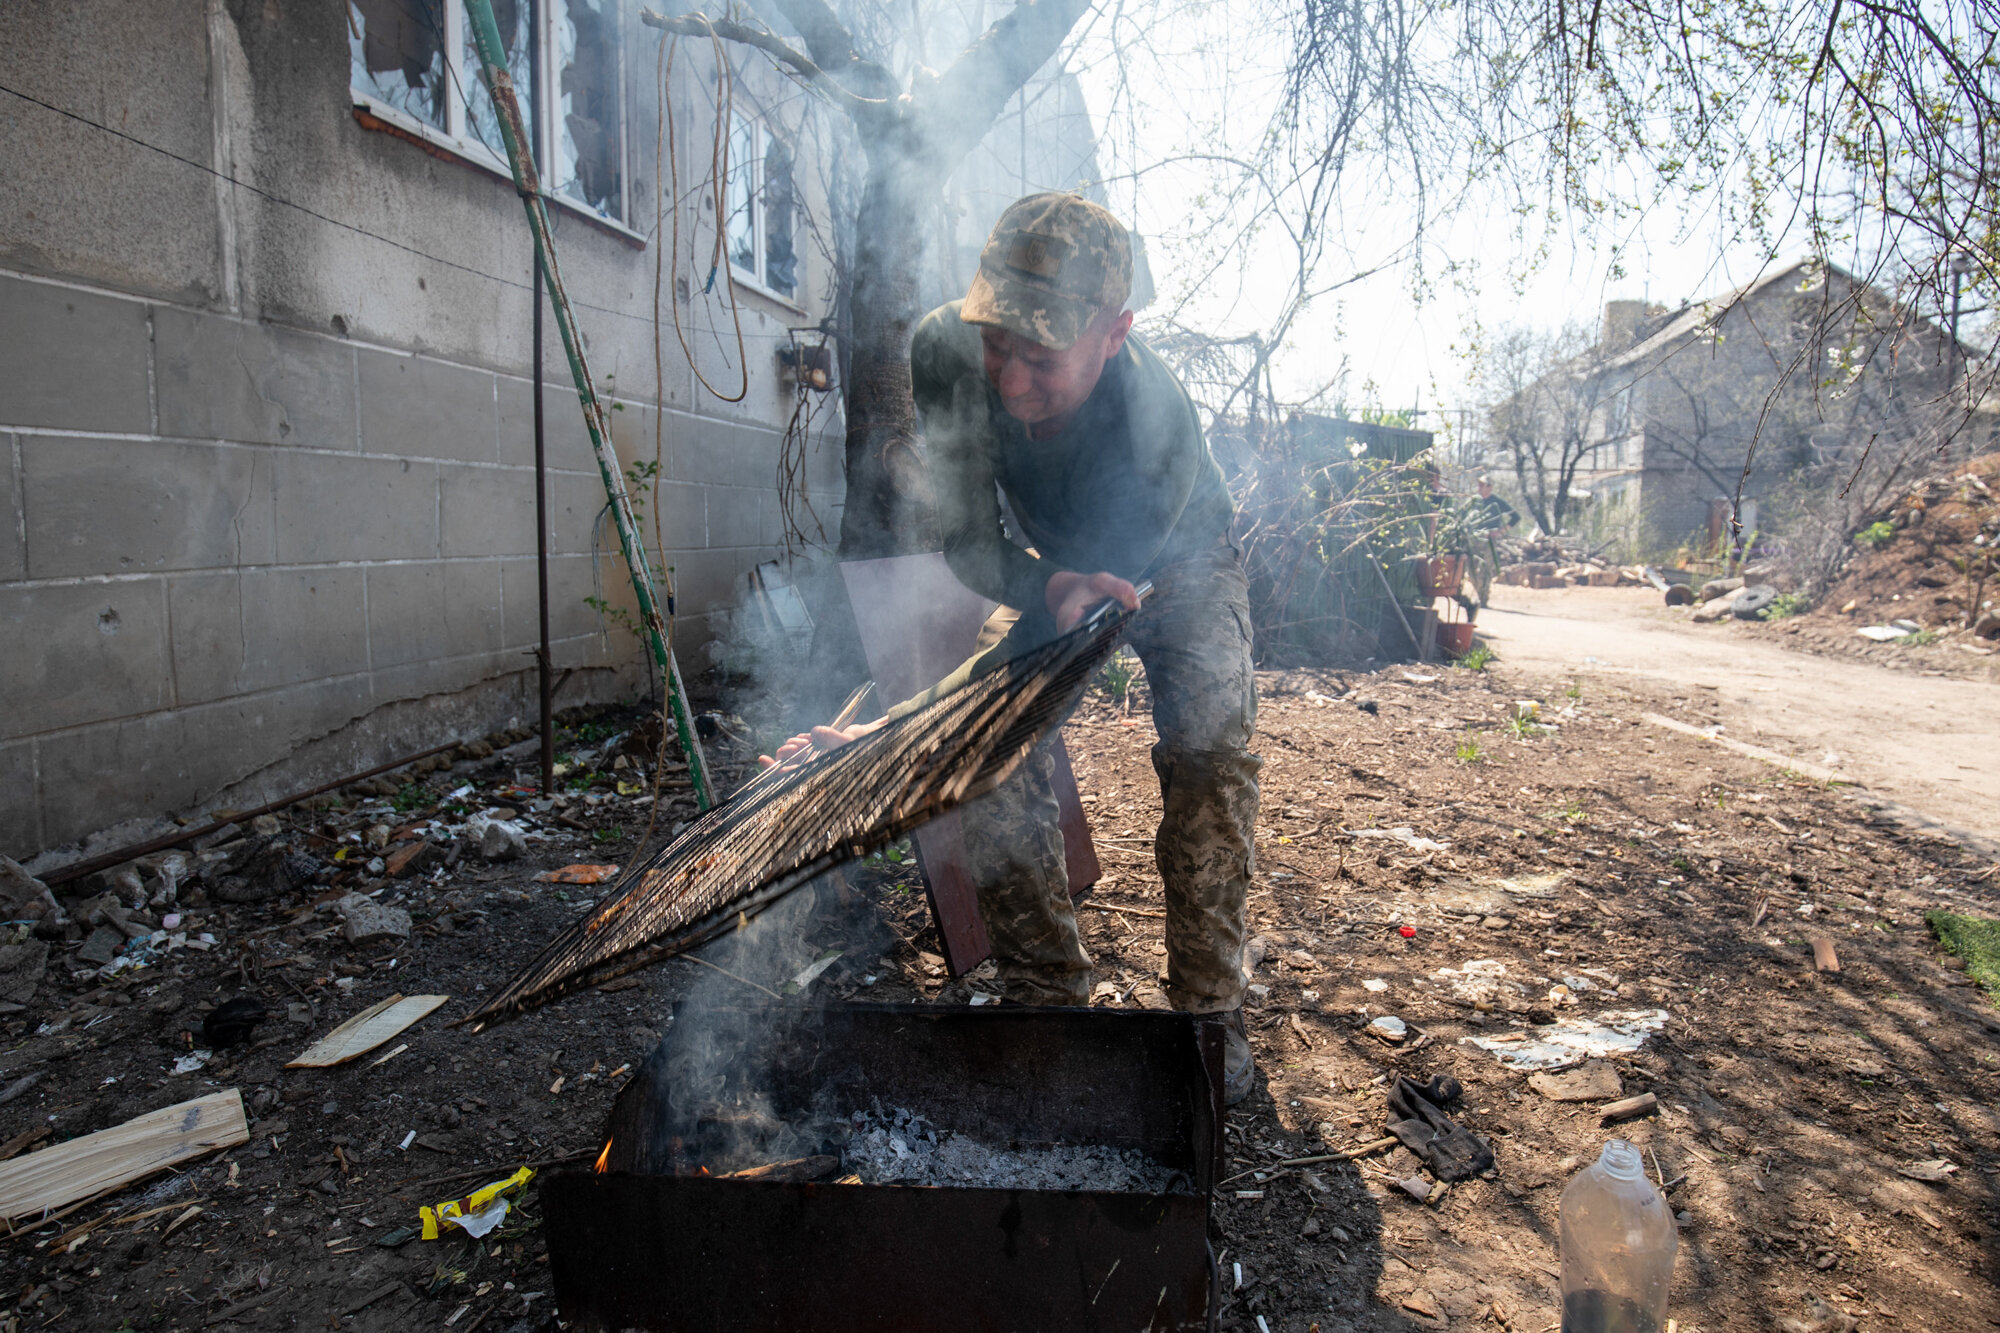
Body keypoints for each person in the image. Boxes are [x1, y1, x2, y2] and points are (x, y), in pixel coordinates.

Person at [772, 193, 1262, 1104]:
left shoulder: (1155, 434)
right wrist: (918, 724)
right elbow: (967, 541)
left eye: (1041, 357)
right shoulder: (944, 348)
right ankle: (1043, 993)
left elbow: (1043, 654)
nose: (1009, 380)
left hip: (1180, 560)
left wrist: (903, 729)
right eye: (998, 341)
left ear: (1114, 333)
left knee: (1208, 757)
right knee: (989, 754)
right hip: (1063, 573)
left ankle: (1206, 1021)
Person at [1469, 475, 1520, 607]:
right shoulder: (1474, 501)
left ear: (1489, 487)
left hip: (1489, 540)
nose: (1479, 488)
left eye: (1482, 485)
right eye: (1479, 484)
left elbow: (1515, 517)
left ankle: (1483, 598)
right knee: (1470, 568)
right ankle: (1478, 590)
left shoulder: (1496, 502)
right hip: (1474, 539)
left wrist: (1500, 531)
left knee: (1486, 568)